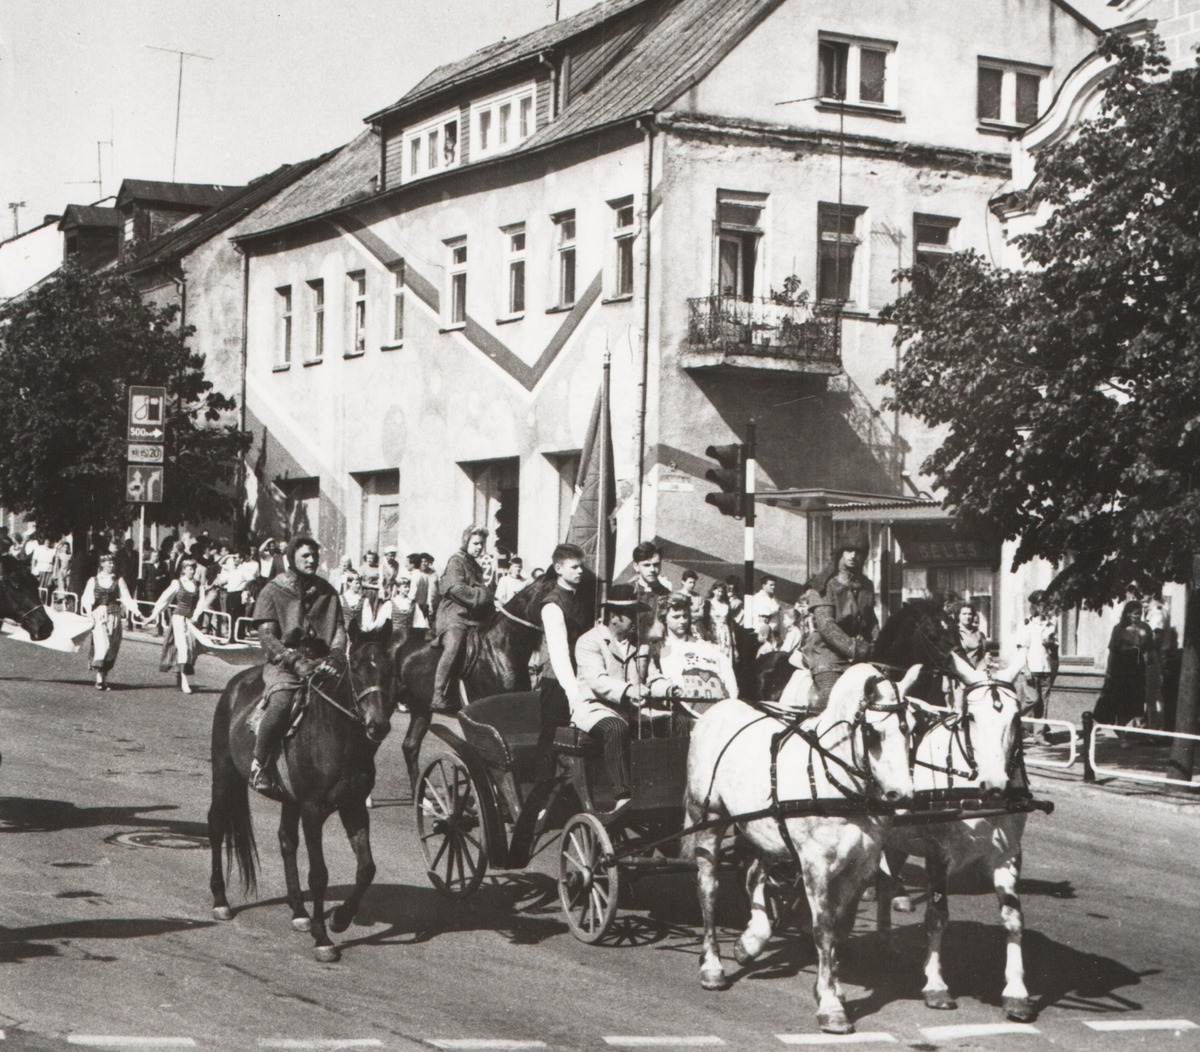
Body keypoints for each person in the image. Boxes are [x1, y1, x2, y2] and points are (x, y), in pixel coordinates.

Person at [248, 536, 347, 793]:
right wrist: (293, 660)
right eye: (305, 556)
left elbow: (338, 629)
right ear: (292, 558)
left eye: (314, 555)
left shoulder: (327, 591)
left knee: (358, 701)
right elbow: (267, 636)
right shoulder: (273, 590)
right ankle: (259, 764)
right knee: (281, 702)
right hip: (284, 663)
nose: (311, 560)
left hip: (322, 661)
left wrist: (336, 655)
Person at [574, 583, 676, 814]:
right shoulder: (589, 642)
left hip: (633, 710)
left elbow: (653, 677)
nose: (635, 620)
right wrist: (631, 690)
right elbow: (598, 681)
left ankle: (673, 788)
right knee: (616, 727)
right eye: (630, 614)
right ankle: (622, 796)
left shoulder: (641, 644)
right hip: (596, 709)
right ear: (614, 617)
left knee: (675, 722)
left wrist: (668, 690)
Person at [533, 543, 592, 788]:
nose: (580, 571)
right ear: (559, 568)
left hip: (577, 678)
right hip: (557, 681)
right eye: (574, 567)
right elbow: (558, 654)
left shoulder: (577, 599)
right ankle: (539, 799)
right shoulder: (552, 605)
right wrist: (573, 692)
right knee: (551, 740)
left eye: (582, 566)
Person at [801, 532, 879, 712]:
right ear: (841, 553)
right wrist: (853, 648)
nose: (853, 556)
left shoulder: (867, 585)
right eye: (849, 550)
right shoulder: (824, 584)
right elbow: (826, 625)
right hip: (826, 652)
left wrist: (876, 642)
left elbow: (871, 619)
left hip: (859, 653)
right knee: (830, 694)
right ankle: (815, 732)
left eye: (858, 552)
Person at [431, 526, 494, 713]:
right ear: (466, 542)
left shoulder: (475, 565)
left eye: (482, 544)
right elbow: (456, 589)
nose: (479, 548)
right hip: (454, 614)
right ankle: (438, 694)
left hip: (474, 616)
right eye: (475, 543)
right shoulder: (456, 561)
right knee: (455, 644)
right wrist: (482, 595)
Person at [141, 556, 211, 695]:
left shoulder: (198, 585)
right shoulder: (177, 583)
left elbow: (201, 602)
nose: (192, 571)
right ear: (184, 570)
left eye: (194, 568)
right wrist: (153, 616)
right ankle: (185, 681)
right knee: (183, 649)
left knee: (192, 650)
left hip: (191, 621)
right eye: (190, 568)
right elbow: (164, 600)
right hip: (179, 618)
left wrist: (196, 617)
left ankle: (180, 673)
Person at [1095, 600, 1157, 744]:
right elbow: (1112, 651)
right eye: (1135, 613)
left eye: (1140, 613)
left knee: (1136, 700)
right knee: (1121, 700)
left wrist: (1155, 667)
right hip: (1121, 666)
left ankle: (1125, 728)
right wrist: (1109, 670)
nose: (1138, 616)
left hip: (1137, 666)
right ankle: (1121, 732)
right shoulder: (1119, 628)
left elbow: (1151, 649)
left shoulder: (1146, 628)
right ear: (1128, 613)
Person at [657, 593, 740, 701]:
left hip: (716, 707)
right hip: (680, 707)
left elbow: (729, 679)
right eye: (676, 617)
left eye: (685, 616)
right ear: (664, 619)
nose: (682, 621)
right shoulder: (658, 648)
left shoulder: (704, 646)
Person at [80, 551, 142, 690]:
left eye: (113, 562)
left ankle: (102, 679)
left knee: (112, 647)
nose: (111, 565)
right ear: (102, 564)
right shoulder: (93, 580)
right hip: (99, 615)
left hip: (114, 616)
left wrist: (137, 612)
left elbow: (126, 597)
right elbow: (87, 599)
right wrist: (89, 614)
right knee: (103, 645)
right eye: (109, 562)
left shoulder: (118, 580)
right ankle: (99, 678)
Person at [1015, 590, 1058, 742]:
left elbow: (1055, 647)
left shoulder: (1052, 624)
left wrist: (1052, 644)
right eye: (1041, 604)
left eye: (1046, 604)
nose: (1044, 607)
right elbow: (1021, 649)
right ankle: (1015, 721)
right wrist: (1025, 669)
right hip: (1031, 668)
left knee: (1042, 703)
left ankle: (1039, 735)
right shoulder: (1027, 624)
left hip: (1046, 667)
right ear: (1034, 606)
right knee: (1032, 700)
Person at [629, 542, 672, 650]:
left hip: (657, 651)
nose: (652, 569)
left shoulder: (667, 595)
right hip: (631, 651)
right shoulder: (627, 592)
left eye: (656, 564)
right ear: (636, 566)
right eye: (647, 565)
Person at [955, 602, 989, 669]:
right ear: (958, 615)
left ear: (973, 616)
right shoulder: (954, 633)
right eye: (964, 614)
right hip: (960, 671)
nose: (967, 617)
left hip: (978, 671)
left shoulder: (980, 634)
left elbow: (985, 653)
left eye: (970, 614)